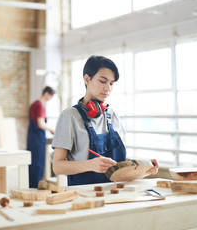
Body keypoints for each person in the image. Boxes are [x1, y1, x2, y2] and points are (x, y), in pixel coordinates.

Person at [52, 55, 159, 186]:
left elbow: (118, 161)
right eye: (103, 81)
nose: (107, 88)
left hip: (116, 191)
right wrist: (90, 165)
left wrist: (143, 165)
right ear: (87, 79)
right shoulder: (70, 116)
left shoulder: (112, 114)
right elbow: (57, 166)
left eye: (111, 83)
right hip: (85, 195)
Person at [27, 86, 56, 188]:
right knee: (38, 164)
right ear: (47, 94)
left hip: (32, 137)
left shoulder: (34, 104)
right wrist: (51, 129)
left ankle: (32, 185)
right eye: (50, 97)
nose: (49, 99)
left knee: (33, 163)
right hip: (37, 139)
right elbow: (40, 124)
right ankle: (35, 187)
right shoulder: (39, 106)